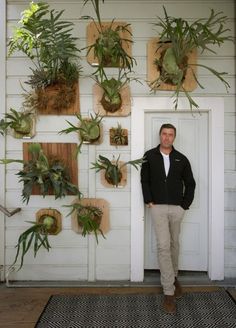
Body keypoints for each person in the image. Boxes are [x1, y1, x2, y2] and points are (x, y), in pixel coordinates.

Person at [140, 123, 196, 314]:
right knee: (163, 246)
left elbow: (190, 184)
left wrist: (184, 206)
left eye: (170, 134)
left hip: (176, 209)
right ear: (160, 135)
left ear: (174, 137)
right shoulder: (149, 156)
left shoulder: (182, 159)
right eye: (164, 134)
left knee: (174, 244)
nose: (167, 137)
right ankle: (169, 292)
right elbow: (144, 180)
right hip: (157, 208)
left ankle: (173, 276)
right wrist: (149, 202)